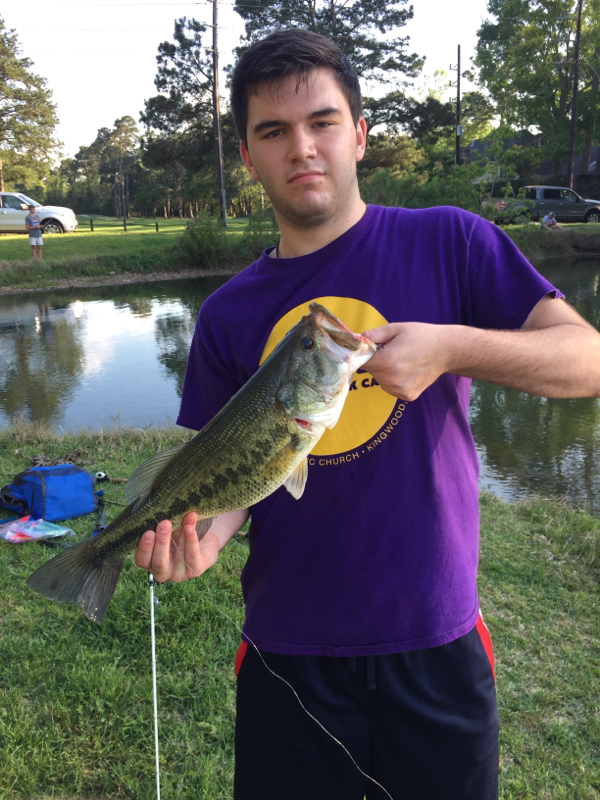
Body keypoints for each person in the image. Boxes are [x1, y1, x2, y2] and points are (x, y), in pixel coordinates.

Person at [134, 29, 600, 800]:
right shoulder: (226, 314)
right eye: (273, 132)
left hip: (436, 642)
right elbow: (233, 473)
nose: (302, 148)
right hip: (287, 653)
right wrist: (201, 538)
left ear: (358, 134)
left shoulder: (450, 241)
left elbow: (587, 360)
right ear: (247, 159)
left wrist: (452, 347)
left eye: (322, 122)